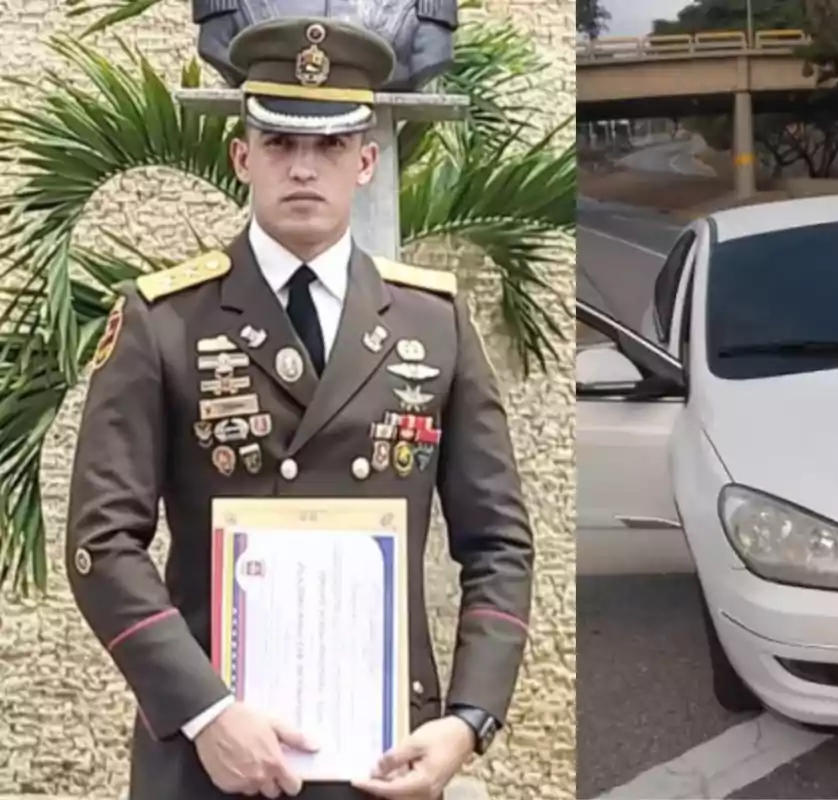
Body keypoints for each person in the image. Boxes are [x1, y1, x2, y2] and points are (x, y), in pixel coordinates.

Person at [64, 16, 534, 800]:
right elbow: (101, 544)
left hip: (385, 758)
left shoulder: (434, 322)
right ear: (242, 157)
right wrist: (205, 711)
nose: (304, 168)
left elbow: (499, 543)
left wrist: (469, 718)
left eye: (329, 146)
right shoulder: (164, 320)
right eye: (281, 145)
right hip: (207, 760)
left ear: (366, 160)